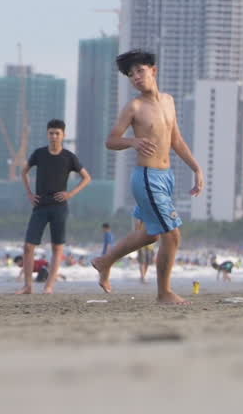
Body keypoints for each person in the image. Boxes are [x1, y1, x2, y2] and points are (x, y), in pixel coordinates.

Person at [91, 50, 205, 304]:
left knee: (152, 234)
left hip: (166, 177)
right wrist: (132, 141)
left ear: (153, 70)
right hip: (146, 178)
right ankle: (164, 293)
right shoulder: (134, 107)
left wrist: (196, 168)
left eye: (139, 71)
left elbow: (176, 139)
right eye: (131, 75)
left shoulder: (169, 101)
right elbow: (111, 140)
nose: (136, 77)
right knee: (172, 235)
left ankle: (105, 261)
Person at [16, 119, 90, 294]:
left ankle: (49, 286)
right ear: (47, 134)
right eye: (51, 133)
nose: (54, 136)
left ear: (63, 135)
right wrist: (29, 193)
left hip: (59, 207)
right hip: (40, 206)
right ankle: (27, 285)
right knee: (28, 246)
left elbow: (87, 178)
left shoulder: (69, 157)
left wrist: (70, 194)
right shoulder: (39, 154)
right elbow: (24, 171)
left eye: (57, 133)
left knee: (57, 247)